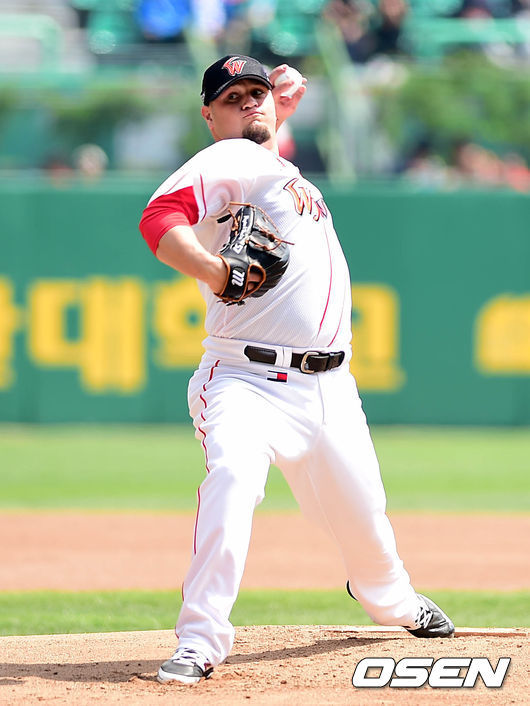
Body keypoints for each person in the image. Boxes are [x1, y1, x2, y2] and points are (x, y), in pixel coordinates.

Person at [139, 54, 455, 685]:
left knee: (367, 525)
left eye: (255, 92)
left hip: (330, 389)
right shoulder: (228, 157)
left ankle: (394, 602)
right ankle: (200, 639)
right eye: (232, 98)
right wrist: (216, 271)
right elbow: (158, 218)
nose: (249, 103)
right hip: (246, 380)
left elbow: (263, 137)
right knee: (233, 478)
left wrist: (275, 107)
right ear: (208, 117)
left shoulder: (272, 165)